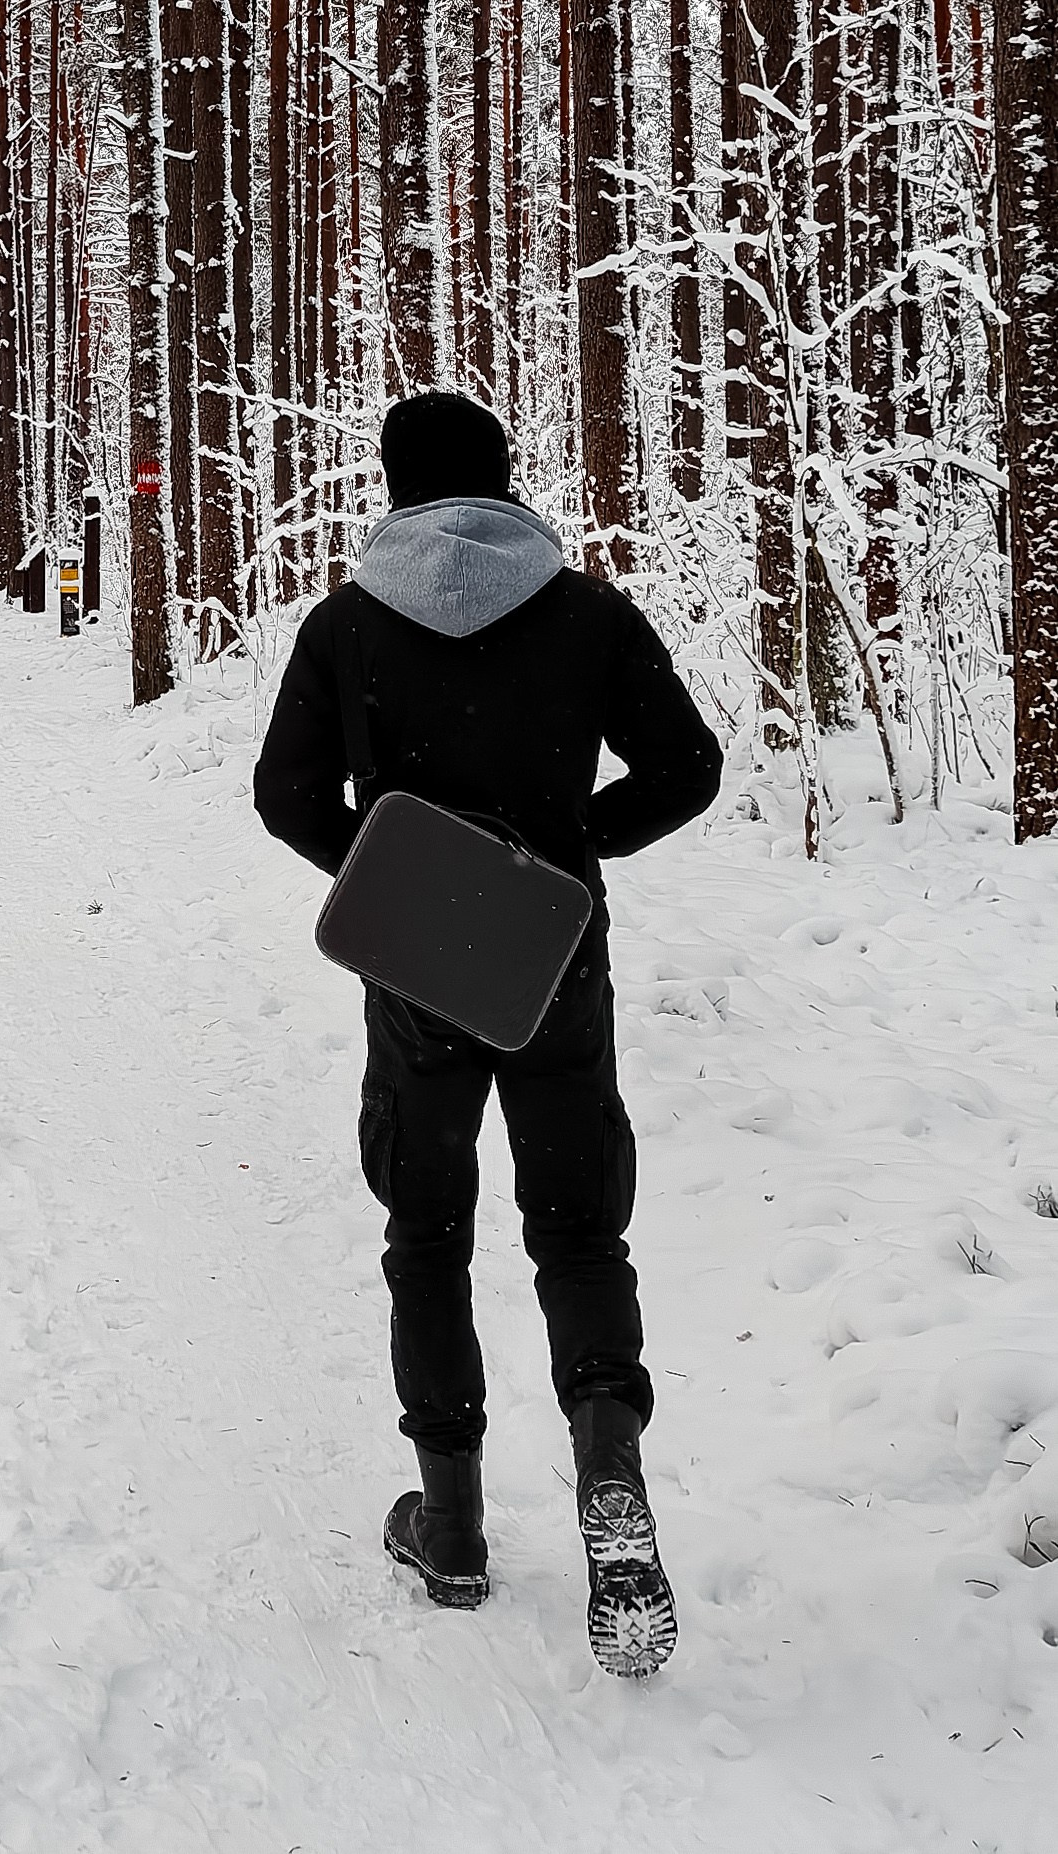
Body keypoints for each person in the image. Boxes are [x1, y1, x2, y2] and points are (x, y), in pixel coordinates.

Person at [253, 393, 722, 1677]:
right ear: (503, 479)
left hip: (417, 976)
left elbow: (283, 792)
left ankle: (450, 1527)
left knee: (426, 1234)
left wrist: (397, 880)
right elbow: (686, 767)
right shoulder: (585, 614)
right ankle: (606, 1462)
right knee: (577, 1232)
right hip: (552, 960)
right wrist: (564, 857)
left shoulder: (347, 624)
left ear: (394, 484)